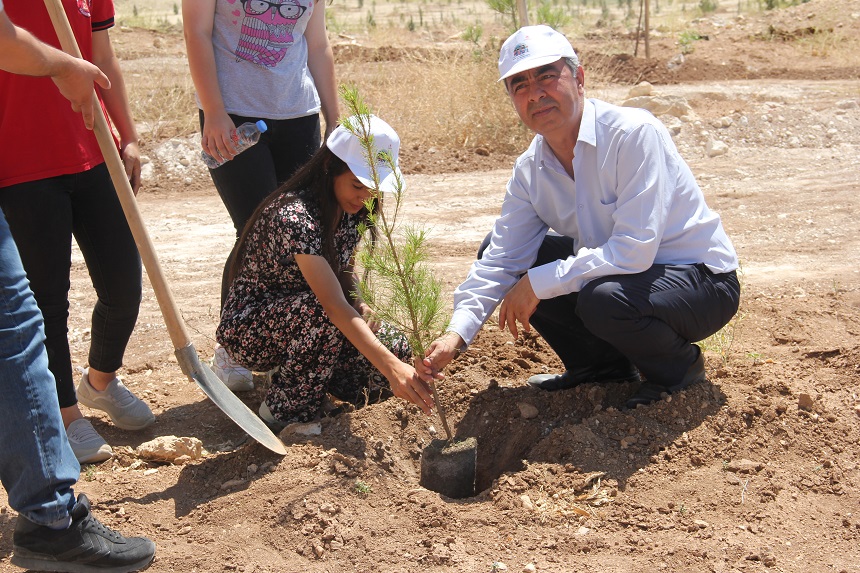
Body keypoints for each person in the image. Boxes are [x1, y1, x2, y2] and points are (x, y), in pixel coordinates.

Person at [419, 26, 741, 410]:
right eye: (519, 84)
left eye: (547, 76)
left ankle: (677, 370)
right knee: (508, 254)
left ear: (580, 78)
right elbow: (502, 259)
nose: (535, 93)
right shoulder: (530, 170)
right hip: (628, 280)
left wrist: (537, 283)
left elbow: (634, 251)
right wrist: (457, 334)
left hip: (700, 282)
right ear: (511, 99)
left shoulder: (633, 134)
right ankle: (600, 368)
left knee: (599, 297)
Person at [0, 4, 156, 571]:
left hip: (93, 148)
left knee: (124, 281)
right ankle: (65, 414)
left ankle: (100, 380)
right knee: (44, 305)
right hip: (19, 162)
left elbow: (102, 57)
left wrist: (129, 136)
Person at [216, 115, 435, 430]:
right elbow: (332, 306)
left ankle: (313, 382)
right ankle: (284, 410)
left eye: (373, 190)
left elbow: (343, 270)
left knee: (396, 348)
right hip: (252, 331)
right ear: (329, 170)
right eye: (357, 185)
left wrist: (359, 301)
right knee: (337, 321)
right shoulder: (294, 217)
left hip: (309, 326)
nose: (364, 197)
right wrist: (392, 368)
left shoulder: (349, 209)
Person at [182, 0, 340, 392]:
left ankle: (281, 349)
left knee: (300, 236)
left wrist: (335, 119)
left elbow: (317, 45)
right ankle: (232, 348)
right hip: (232, 115)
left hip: (299, 115)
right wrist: (214, 111)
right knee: (253, 231)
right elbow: (196, 32)